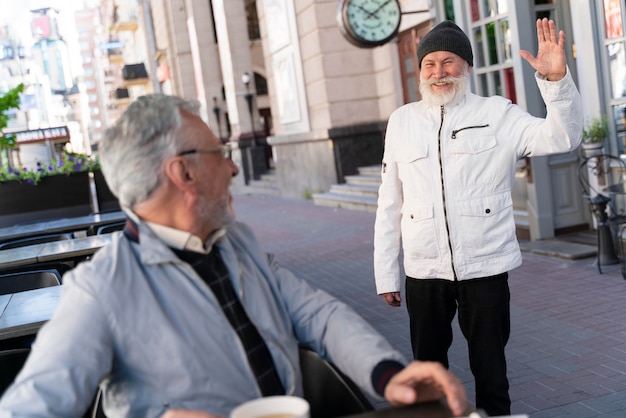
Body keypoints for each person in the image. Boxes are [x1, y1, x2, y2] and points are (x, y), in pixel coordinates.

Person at [0, 94, 468, 417]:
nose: (233, 165)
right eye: (218, 152)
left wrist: (389, 374)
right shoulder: (100, 291)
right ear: (182, 171)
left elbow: (317, 315)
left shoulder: (236, 240)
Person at [373, 18, 582, 416]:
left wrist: (556, 81)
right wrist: (386, 273)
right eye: (430, 63)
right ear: (420, 71)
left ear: (467, 66)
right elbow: (389, 203)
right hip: (424, 271)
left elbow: (563, 137)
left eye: (448, 61)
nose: (439, 72)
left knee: (492, 372)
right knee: (429, 372)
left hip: (485, 267)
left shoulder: (497, 113)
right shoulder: (402, 121)